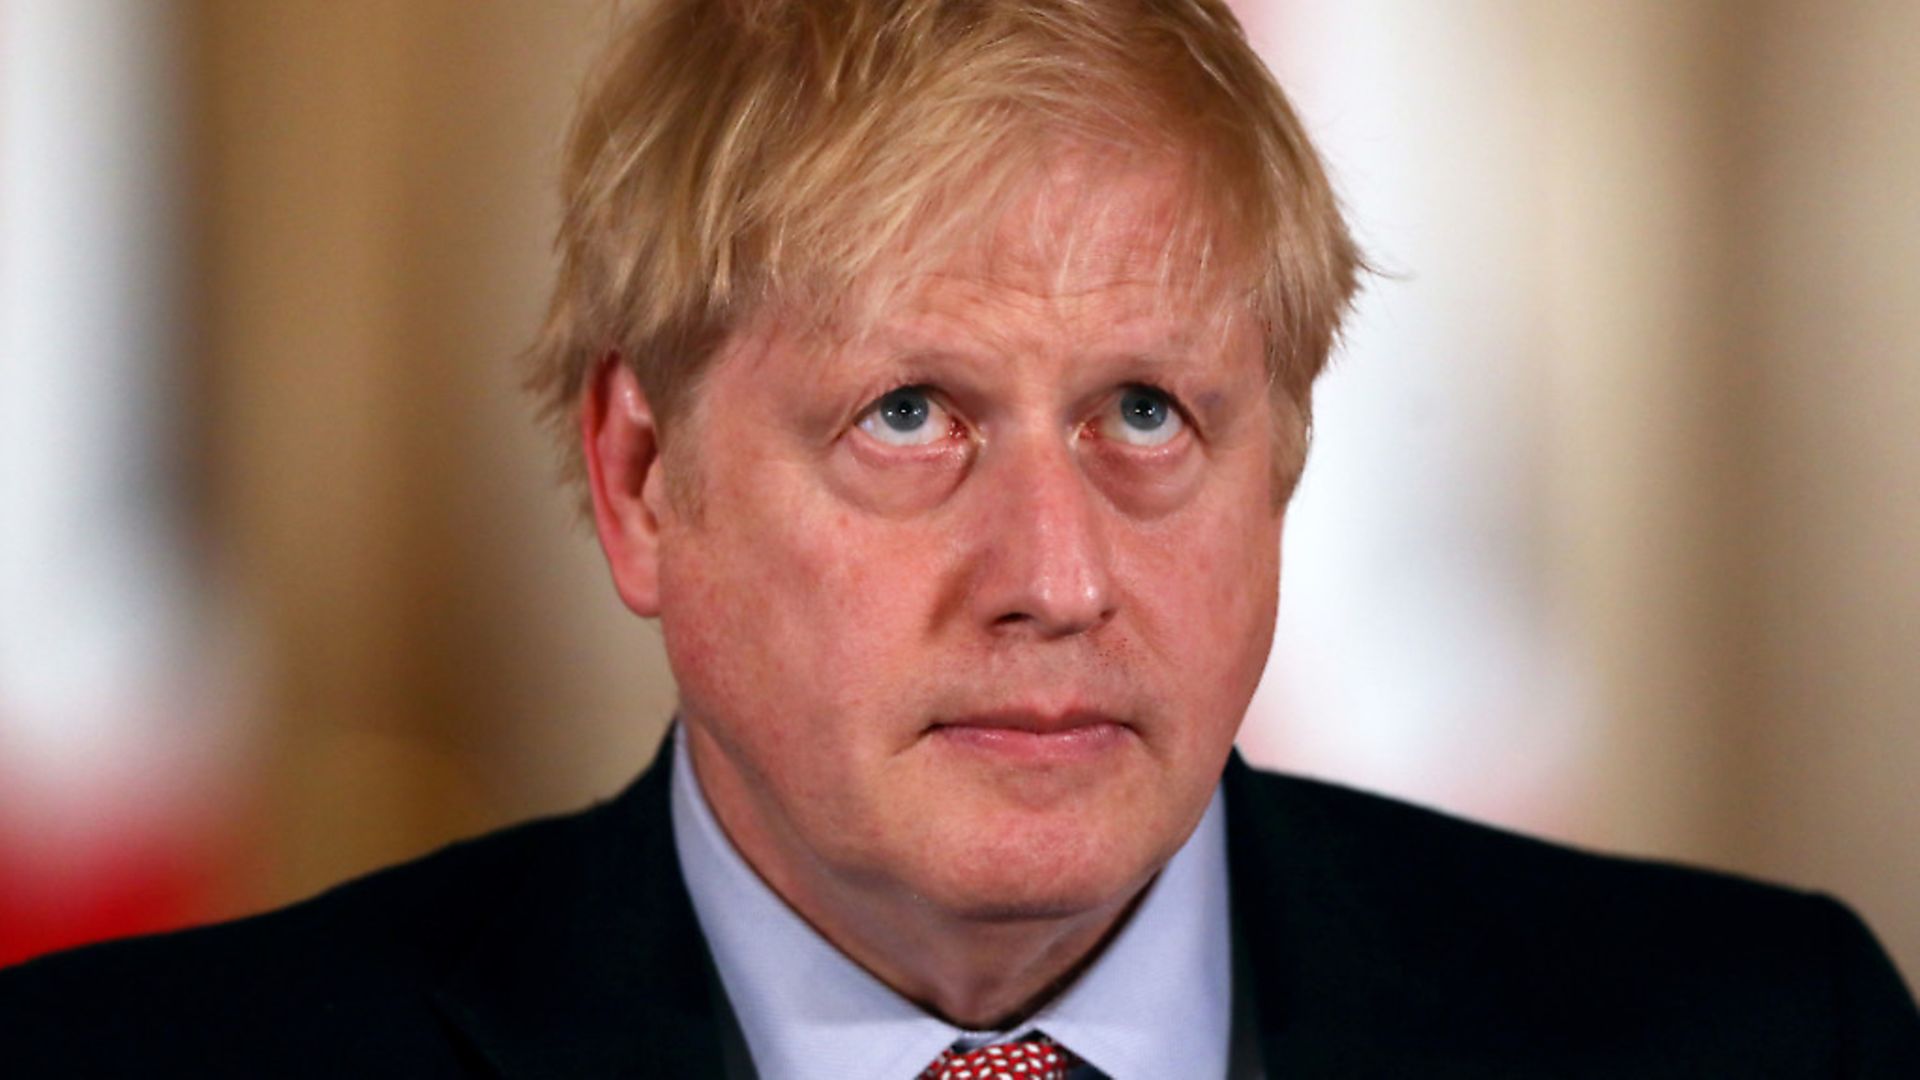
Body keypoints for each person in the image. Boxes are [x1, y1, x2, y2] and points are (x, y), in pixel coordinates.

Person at [3, 0, 1917, 1075]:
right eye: (910, 418)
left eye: (1148, 415)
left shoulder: (1758, 1049)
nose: (1058, 577)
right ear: (641, 479)